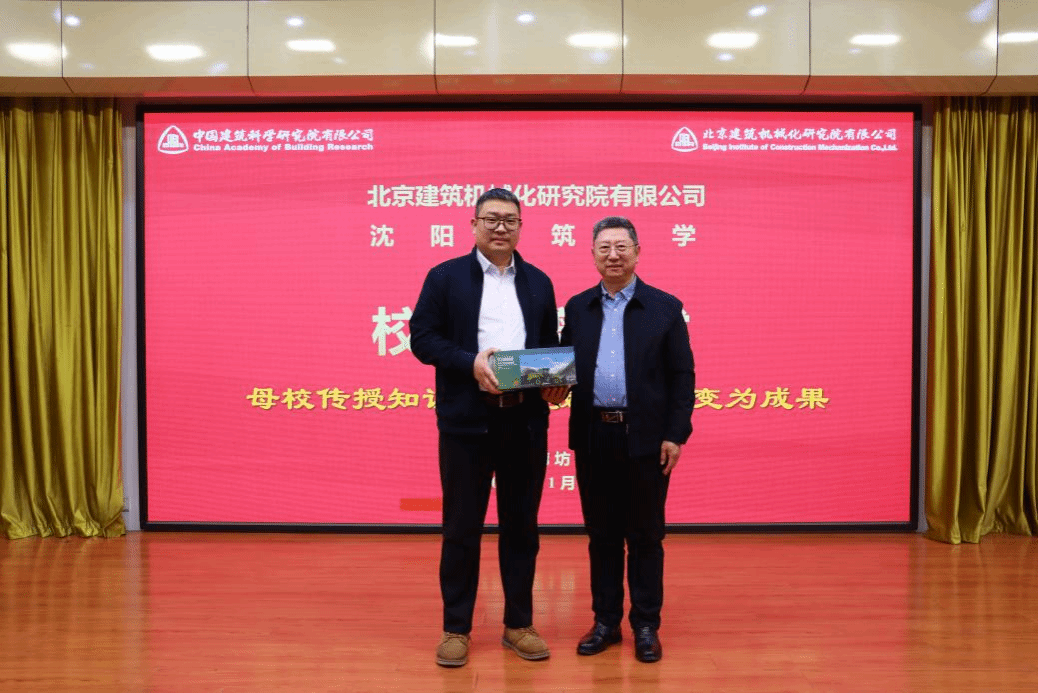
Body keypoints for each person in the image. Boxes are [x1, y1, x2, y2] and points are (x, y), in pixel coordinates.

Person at [410, 187, 567, 667]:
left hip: (525, 421)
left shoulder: (539, 282)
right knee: (461, 527)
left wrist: (555, 382)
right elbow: (422, 338)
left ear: (520, 227)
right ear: (474, 223)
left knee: (522, 527)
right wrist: (469, 362)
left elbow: (547, 346)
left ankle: (518, 624)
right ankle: (455, 628)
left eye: (510, 220)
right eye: (492, 219)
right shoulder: (445, 276)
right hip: (466, 422)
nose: (501, 227)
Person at [560, 216, 695, 663]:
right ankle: (605, 622)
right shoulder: (578, 308)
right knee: (601, 535)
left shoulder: (664, 307)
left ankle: (646, 624)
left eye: (621, 247)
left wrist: (675, 433)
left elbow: (682, 375)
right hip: (594, 435)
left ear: (637, 251)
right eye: (604, 248)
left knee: (645, 535)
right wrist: (537, 382)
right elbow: (562, 370)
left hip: (646, 439)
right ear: (593, 255)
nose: (613, 255)